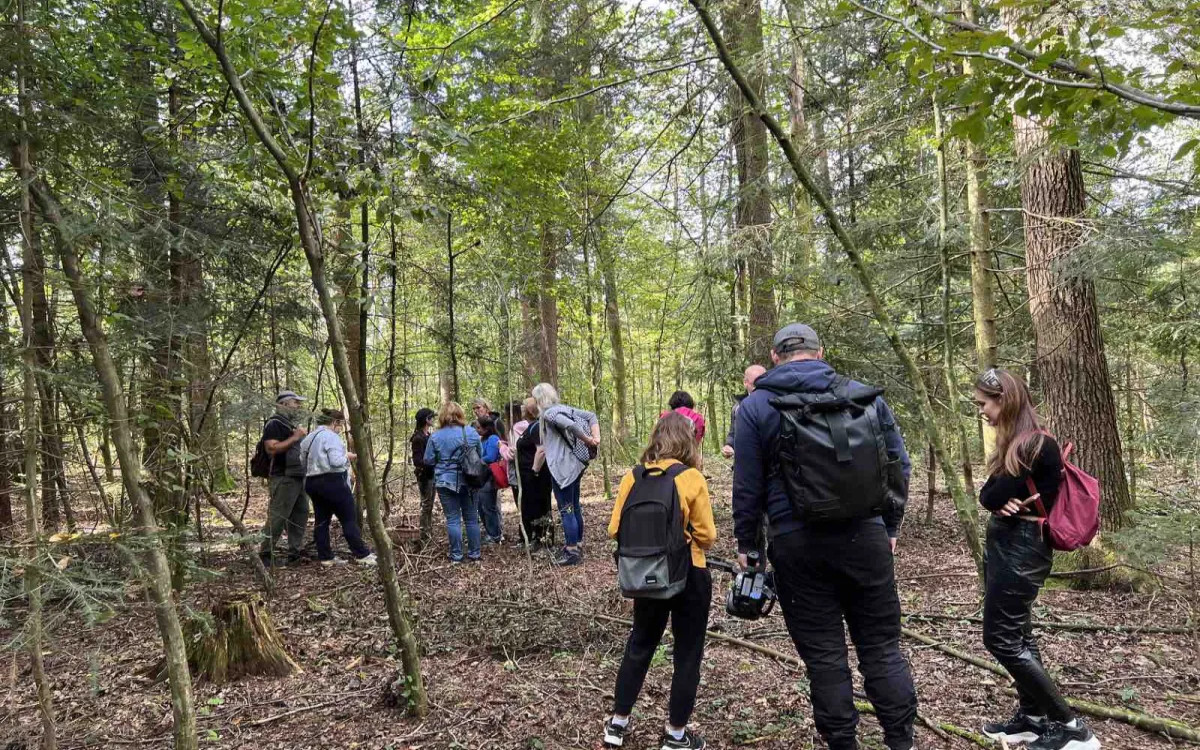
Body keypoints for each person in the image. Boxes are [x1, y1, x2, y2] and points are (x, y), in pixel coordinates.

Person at [732, 324, 917, 750]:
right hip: (866, 537)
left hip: (797, 544)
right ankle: (901, 742)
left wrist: (750, 548)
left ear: (776, 356)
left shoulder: (757, 406)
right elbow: (898, 465)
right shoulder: (863, 395)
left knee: (825, 659)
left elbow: (748, 487)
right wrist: (889, 528)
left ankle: (842, 743)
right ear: (821, 352)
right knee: (882, 648)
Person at [974, 369, 1101, 750]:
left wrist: (998, 497)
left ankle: (1072, 727)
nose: (982, 411)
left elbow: (993, 495)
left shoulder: (1034, 446)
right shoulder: (1018, 443)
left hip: (1023, 547)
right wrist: (997, 496)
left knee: (1000, 638)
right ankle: (1033, 718)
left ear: (1004, 400)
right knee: (1020, 633)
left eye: (984, 403)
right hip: (1010, 543)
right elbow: (989, 494)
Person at [603, 413, 715, 750]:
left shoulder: (632, 477)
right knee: (687, 653)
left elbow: (613, 529)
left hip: (645, 574)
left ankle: (617, 725)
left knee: (639, 645)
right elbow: (707, 536)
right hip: (689, 573)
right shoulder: (691, 478)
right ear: (688, 441)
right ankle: (676, 736)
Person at [532, 382, 600, 566]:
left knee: (566, 508)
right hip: (575, 465)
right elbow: (591, 416)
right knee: (574, 505)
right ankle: (577, 543)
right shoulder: (564, 408)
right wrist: (596, 438)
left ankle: (572, 550)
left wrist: (588, 440)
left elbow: (570, 426)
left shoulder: (549, 413)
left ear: (539, 399)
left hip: (562, 469)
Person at [298, 409, 376, 566]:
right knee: (348, 518)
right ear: (335, 423)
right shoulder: (331, 437)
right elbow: (335, 462)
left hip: (312, 482)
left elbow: (302, 461)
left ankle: (325, 556)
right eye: (340, 425)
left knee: (321, 520)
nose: (340, 429)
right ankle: (361, 554)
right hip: (332, 482)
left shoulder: (309, 438)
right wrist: (347, 457)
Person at [423, 401, 484, 563]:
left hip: (445, 481)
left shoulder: (435, 436)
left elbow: (428, 460)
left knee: (453, 519)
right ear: (460, 414)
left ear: (443, 416)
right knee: (471, 519)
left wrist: (441, 460)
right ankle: (474, 554)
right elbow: (480, 454)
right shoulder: (471, 432)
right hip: (470, 480)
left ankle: (456, 555)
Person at [259, 390, 311, 567]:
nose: (298, 406)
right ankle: (265, 553)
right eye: (295, 403)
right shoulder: (274, 423)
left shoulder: (288, 424)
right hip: (283, 477)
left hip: (297, 477)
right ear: (285, 404)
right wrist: (296, 437)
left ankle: (294, 552)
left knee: (301, 512)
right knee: (278, 516)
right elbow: (271, 448)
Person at [513, 398, 553, 548]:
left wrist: (534, 471)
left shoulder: (537, 427)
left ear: (530, 410)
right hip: (528, 476)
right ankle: (535, 537)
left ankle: (544, 538)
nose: (521, 408)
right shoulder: (531, 427)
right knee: (531, 506)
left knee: (540, 505)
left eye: (524, 406)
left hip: (537, 477)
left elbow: (541, 450)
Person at [722, 365, 766, 459]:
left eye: (763, 383)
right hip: (744, 462)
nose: (759, 387)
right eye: (755, 384)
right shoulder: (738, 407)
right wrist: (729, 445)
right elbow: (733, 432)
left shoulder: (775, 402)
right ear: (745, 383)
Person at [410, 408, 437, 545]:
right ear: (427, 419)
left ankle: (428, 532)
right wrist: (431, 463)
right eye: (432, 417)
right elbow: (417, 461)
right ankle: (423, 534)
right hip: (425, 477)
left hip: (432, 475)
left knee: (429, 505)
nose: (433, 419)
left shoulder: (428, 435)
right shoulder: (418, 438)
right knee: (425, 505)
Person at [476, 414, 504, 544]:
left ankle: (495, 535)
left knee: (488, 506)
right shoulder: (482, 439)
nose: (477, 430)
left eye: (479, 427)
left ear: (486, 428)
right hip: (481, 476)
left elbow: (491, 457)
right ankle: (490, 532)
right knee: (481, 506)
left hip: (489, 476)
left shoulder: (493, 438)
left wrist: (477, 460)